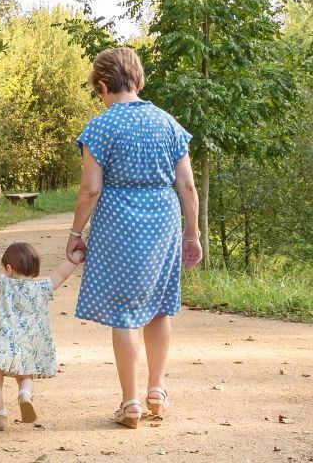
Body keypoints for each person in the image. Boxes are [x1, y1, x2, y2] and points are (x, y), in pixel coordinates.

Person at [66, 47, 202, 429]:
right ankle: (157, 391)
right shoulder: (169, 124)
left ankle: (130, 402)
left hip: (118, 221)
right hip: (163, 218)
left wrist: (76, 233)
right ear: (139, 82)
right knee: (159, 305)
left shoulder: (100, 127)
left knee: (125, 311)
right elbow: (188, 187)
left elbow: (90, 190)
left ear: (103, 86)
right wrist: (191, 233)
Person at [0, 238, 80, 431]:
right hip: (28, 345)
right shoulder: (43, 287)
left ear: (9, 268)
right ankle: (25, 395)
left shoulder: (4, 283)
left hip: (0, 342)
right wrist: (76, 257)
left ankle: (0, 415)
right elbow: (62, 273)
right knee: (25, 377)